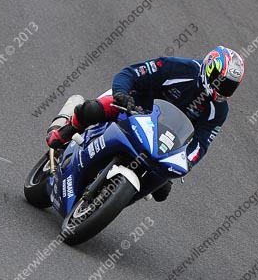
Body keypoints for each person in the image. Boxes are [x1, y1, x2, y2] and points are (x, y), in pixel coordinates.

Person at [46, 46, 245, 201]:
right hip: (132, 109)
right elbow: (130, 73)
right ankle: (69, 129)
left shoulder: (219, 111)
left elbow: (201, 143)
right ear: (210, 70)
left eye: (231, 87)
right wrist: (122, 94)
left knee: (162, 190)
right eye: (223, 82)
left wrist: (187, 162)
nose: (225, 90)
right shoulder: (178, 68)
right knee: (91, 110)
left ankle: (111, 200)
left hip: (163, 143)